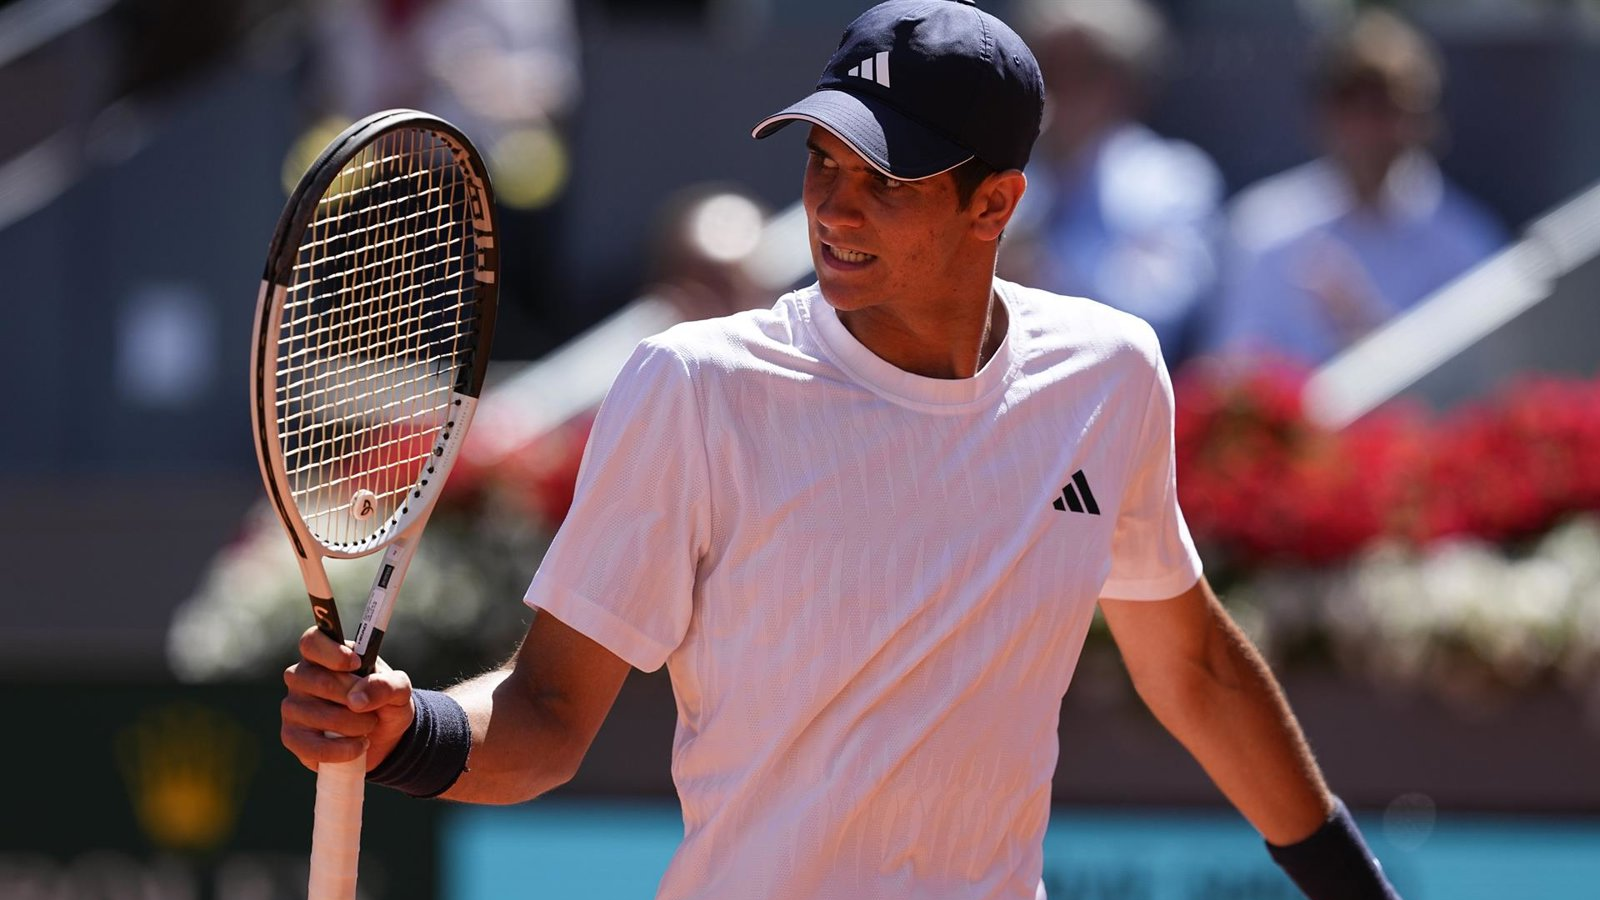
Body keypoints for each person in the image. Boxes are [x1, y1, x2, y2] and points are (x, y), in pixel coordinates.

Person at [280, 2, 1403, 898]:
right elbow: (548, 718)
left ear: (994, 202)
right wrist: (407, 730)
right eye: (822, 163)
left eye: (884, 180)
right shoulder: (695, 389)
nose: (833, 208)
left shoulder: (1108, 377)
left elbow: (1193, 667)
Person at [1205, 8, 1504, 367]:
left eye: (1389, 108)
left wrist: (1369, 331)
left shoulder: (1468, 244)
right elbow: (1233, 371)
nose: (1368, 129)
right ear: (1322, 114)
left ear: (1425, 121)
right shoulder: (1262, 227)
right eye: (1351, 104)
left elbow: (1477, 386)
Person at [1004, 0, 1224, 368]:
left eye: (1082, 69)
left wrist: (1041, 268)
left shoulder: (1172, 177)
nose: (1057, 87)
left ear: (1126, 81)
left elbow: (1159, 308)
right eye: (1045, 66)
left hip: (1116, 391)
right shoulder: (997, 170)